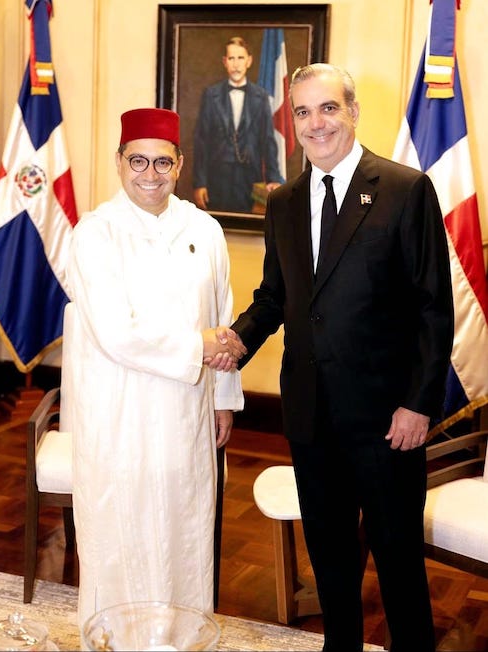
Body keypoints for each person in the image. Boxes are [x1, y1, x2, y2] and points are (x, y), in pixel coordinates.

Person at [225, 64, 454, 651]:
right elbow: (275, 296)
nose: (316, 123)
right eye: (302, 112)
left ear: (352, 111)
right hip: (310, 414)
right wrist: (236, 341)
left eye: (328, 108)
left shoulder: (404, 189)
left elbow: (433, 308)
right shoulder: (283, 201)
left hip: (388, 421)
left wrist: (418, 404)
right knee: (329, 558)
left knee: (398, 562)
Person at [62, 107, 246, 633]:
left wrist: (223, 399)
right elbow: (115, 332)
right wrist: (198, 345)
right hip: (119, 410)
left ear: (180, 164)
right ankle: (115, 638)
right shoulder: (96, 233)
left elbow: (223, 316)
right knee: (121, 530)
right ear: (119, 161)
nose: (150, 173)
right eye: (138, 160)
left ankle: (182, 636)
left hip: (188, 410)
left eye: (162, 162)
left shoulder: (204, 229)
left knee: (185, 527)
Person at [193, 36, 283, 214]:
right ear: (224, 62)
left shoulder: (261, 96)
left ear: (249, 61)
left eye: (240, 58)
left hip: (250, 178)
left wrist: (273, 178)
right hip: (217, 178)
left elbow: (268, 140)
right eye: (231, 58)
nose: (236, 64)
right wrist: (200, 183)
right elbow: (201, 141)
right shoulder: (211, 95)